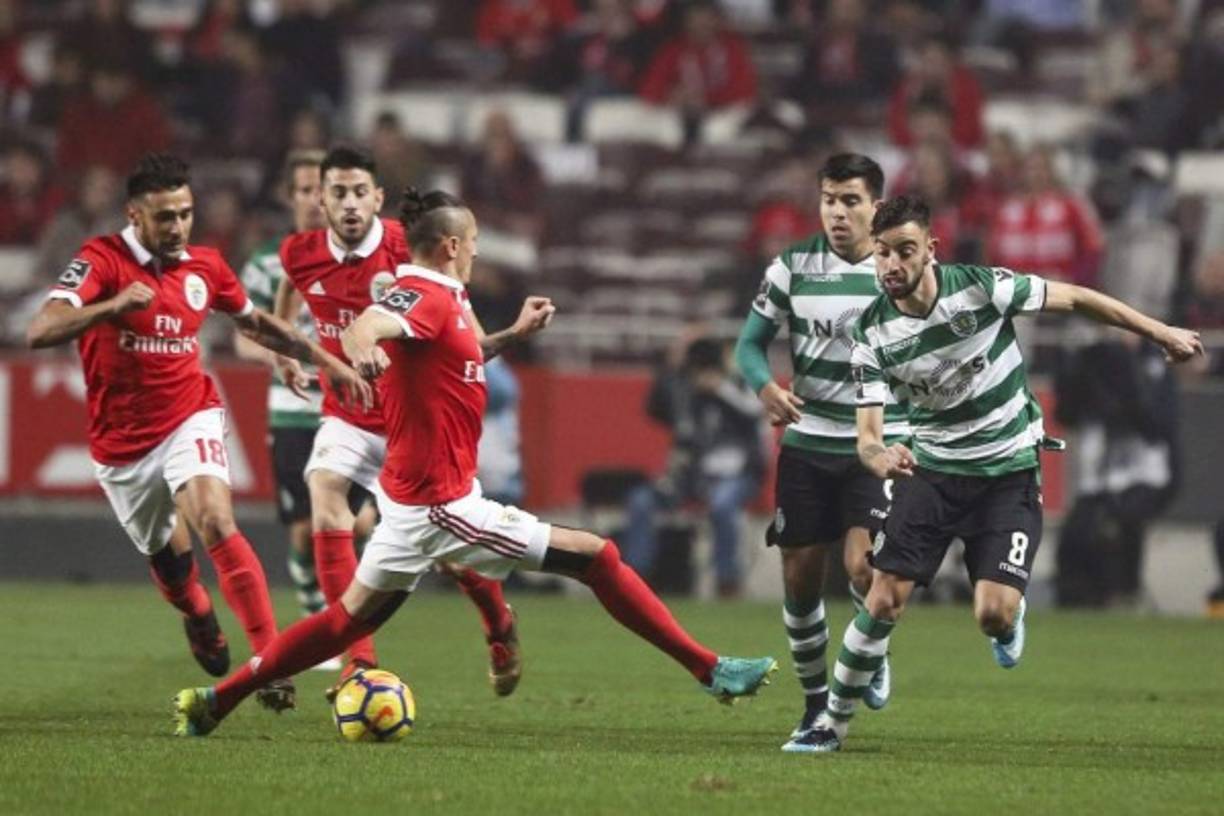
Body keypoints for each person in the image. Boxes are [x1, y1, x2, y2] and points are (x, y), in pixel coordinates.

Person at [172, 189, 777, 737]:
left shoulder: (449, 299)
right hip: (441, 506)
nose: (479, 252)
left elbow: (453, 352)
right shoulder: (421, 294)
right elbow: (366, 325)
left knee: (342, 624)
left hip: (413, 501)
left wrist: (514, 334)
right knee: (598, 556)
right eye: (476, 242)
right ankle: (710, 669)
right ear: (453, 246)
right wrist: (362, 348)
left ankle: (217, 701)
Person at [799, 194, 1202, 752]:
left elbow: (1077, 297)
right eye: (882, 253)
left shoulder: (981, 288)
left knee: (992, 615)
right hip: (933, 472)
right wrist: (879, 455)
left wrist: (1160, 332)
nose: (892, 264)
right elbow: (868, 437)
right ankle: (830, 724)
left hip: (1008, 473)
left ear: (931, 250)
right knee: (882, 595)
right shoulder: (870, 335)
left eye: (904, 251)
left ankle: (1009, 617)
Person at [25, 153, 371, 712]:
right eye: (165, 216)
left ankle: (268, 664)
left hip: (190, 414)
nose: (178, 227)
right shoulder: (101, 260)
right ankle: (198, 612)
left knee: (214, 517)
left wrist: (326, 362)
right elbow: (40, 329)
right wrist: (112, 305)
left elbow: (256, 322)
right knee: (174, 571)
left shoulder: (205, 266)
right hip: (121, 444)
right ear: (134, 215)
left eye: (185, 214)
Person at [275, 145, 526, 697]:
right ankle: (358, 663)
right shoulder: (298, 251)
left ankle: (497, 622)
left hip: (406, 424)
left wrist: (510, 336)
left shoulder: (406, 246)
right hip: (347, 413)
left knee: (451, 554)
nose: (349, 203)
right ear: (321, 201)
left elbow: (470, 338)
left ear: (377, 199)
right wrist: (286, 352)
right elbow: (289, 296)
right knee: (325, 492)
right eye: (337, 192)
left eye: (359, 192)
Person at [734, 153, 908, 752]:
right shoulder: (792, 267)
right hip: (808, 442)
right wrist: (766, 388)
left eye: (850, 201)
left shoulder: (897, 267)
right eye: (829, 200)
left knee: (864, 566)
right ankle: (814, 705)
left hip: (876, 444)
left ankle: (869, 647)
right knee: (800, 577)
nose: (837, 212)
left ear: (876, 207)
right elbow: (749, 344)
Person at [234, 150, 376, 644]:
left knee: (360, 523)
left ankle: (343, 619)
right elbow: (246, 335)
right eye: (308, 190)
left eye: (326, 189)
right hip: (294, 408)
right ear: (293, 196)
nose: (318, 200)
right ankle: (323, 622)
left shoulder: (364, 252)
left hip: (355, 408)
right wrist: (283, 356)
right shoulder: (268, 261)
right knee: (303, 527)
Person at [623, 332, 766, 598]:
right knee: (640, 500)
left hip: (737, 474)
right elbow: (655, 407)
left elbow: (757, 412)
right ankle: (632, 580)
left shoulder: (739, 384)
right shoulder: (685, 394)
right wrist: (671, 364)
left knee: (722, 505)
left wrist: (721, 389)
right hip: (691, 475)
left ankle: (727, 581)